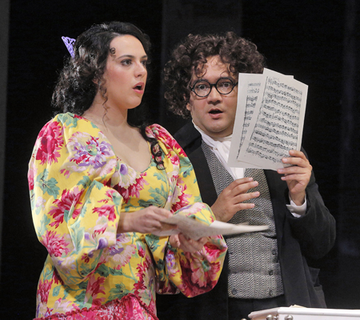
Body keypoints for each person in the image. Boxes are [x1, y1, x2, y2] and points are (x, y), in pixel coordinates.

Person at [27, 22, 227, 320]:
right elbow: (57, 227)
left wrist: (187, 236)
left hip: (139, 303)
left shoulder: (161, 143)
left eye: (143, 63)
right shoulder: (64, 134)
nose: (141, 71)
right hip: (77, 306)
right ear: (95, 71)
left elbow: (187, 213)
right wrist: (127, 221)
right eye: (126, 62)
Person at [156, 32, 336, 320]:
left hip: (286, 306)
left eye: (225, 84)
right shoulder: (170, 157)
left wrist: (299, 199)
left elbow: (322, 245)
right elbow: (158, 254)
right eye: (201, 86)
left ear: (245, 92)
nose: (214, 96)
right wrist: (211, 217)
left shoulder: (280, 146)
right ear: (186, 98)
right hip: (212, 309)